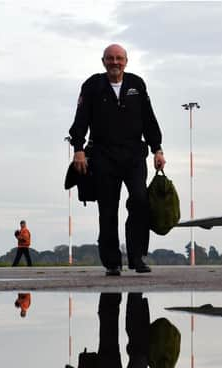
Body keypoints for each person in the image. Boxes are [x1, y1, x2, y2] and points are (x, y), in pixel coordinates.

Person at [69, 44, 166, 276]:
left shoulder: (137, 84)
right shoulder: (93, 85)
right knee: (108, 209)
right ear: (103, 61)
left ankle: (137, 257)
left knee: (140, 202)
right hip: (104, 155)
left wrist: (157, 149)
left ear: (126, 61)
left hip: (134, 155)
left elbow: (149, 118)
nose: (115, 62)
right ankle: (112, 261)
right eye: (110, 58)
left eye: (119, 58)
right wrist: (79, 149)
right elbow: (81, 118)